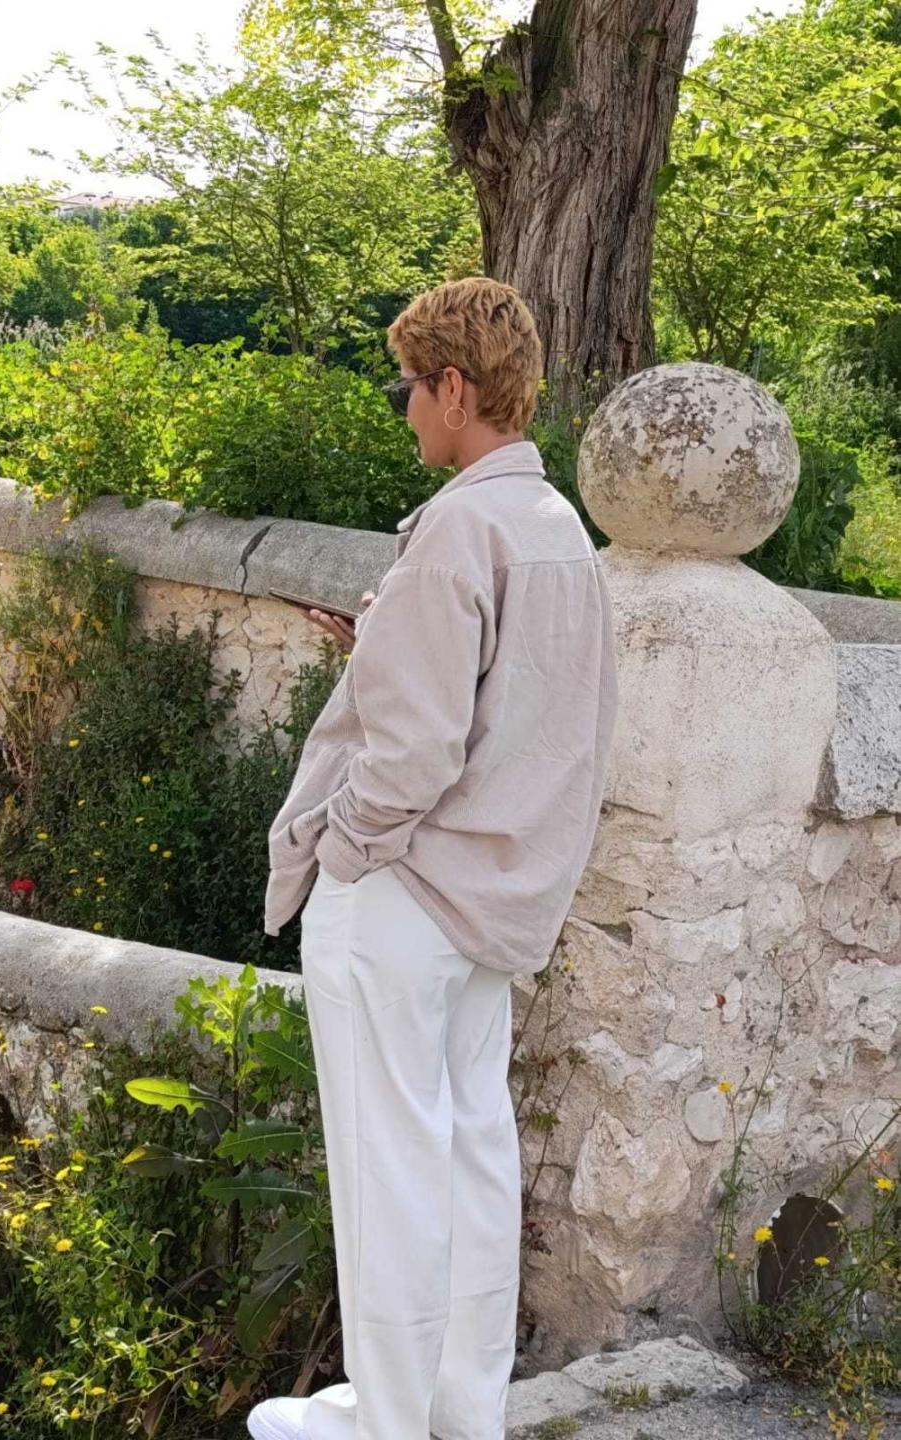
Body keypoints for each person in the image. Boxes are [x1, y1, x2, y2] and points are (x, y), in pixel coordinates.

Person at [247, 277, 619, 1440]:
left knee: (389, 1163)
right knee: (470, 1156)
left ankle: (385, 1420)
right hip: (492, 899)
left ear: (453, 389)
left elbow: (414, 752)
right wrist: (385, 640)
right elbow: (527, 708)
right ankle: (459, 1410)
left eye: (407, 386)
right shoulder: (556, 526)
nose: (403, 407)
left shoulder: (460, 525)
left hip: (404, 892)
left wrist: (348, 850)